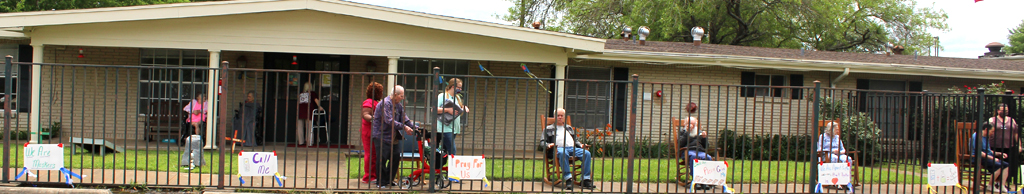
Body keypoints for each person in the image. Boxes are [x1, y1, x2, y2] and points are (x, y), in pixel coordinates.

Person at [371, 85, 418, 189]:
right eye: (401, 96)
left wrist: (415, 128)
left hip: (393, 137)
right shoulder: (385, 103)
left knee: (395, 157)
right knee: (382, 159)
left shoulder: (398, 105)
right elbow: (388, 120)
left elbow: (405, 119)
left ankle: (388, 180)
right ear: (395, 95)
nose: (403, 98)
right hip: (381, 136)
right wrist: (404, 127)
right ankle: (381, 182)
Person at [540, 108, 596, 190]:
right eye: (558, 115)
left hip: (572, 148)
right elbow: (542, 142)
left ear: (564, 117)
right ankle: (568, 179)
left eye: (561, 116)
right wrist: (548, 145)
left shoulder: (569, 128)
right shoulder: (548, 129)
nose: (560, 117)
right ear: (555, 117)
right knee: (563, 153)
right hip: (558, 149)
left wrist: (581, 145)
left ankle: (585, 180)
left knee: (586, 153)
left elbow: (575, 140)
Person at [676, 102, 712, 190]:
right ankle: (696, 180)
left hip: (700, 151)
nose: (691, 126)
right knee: (694, 157)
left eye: (693, 124)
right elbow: (680, 144)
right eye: (689, 124)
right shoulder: (682, 132)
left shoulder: (698, 132)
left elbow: (706, 146)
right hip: (687, 151)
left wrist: (704, 138)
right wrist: (687, 133)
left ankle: (705, 180)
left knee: (708, 157)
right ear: (685, 124)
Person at [972, 122, 1011, 193]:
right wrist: (992, 158)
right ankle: (990, 185)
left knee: (1006, 165)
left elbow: (989, 150)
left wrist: (999, 153)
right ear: (986, 129)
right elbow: (979, 152)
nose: (993, 133)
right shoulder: (977, 136)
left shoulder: (986, 137)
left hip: (988, 157)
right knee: (999, 165)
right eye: (992, 131)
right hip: (979, 158)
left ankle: (1001, 185)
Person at [436, 78, 470, 156]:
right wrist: (447, 110)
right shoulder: (442, 96)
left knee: (444, 149)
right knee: (452, 150)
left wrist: (464, 107)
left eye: (461, 88)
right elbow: (434, 109)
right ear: (453, 86)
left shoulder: (456, 97)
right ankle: (453, 167)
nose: (460, 89)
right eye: (459, 87)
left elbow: (459, 107)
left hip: (454, 128)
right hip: (445, 127)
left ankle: (437, 163)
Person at [988, 103, 1018, 192]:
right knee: (997, 165)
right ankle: (992, 184)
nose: (1005, 111)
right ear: (998, 110)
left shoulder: (1011, 120)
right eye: (1002, 110)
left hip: (1008, 146)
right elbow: (988, 131)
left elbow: (1016, 133)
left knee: (1007, 165)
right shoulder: (992, 120)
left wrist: (1019, 144)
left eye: (1006, 110)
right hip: (994, 146)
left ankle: (1002, 185)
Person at [360, 82, 385, 184]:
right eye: (380, 92)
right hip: (368, 132)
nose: (382, 94)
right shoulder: (368, 102)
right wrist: (373, 118)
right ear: (376, 92)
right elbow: (365, 114)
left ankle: (373, 175)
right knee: (370, 155)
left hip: (374, 132)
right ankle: (368, 177)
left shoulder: (374, 102)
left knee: (374, 154)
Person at [297, 82, 324, 146]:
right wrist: (319, 106)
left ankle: (300, 141)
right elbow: (316, 100)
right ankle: (309, 142)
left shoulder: (301, 94)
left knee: (300, 127)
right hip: (308, 112)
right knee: (309, 127)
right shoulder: (312, 93)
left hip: (300, 112)